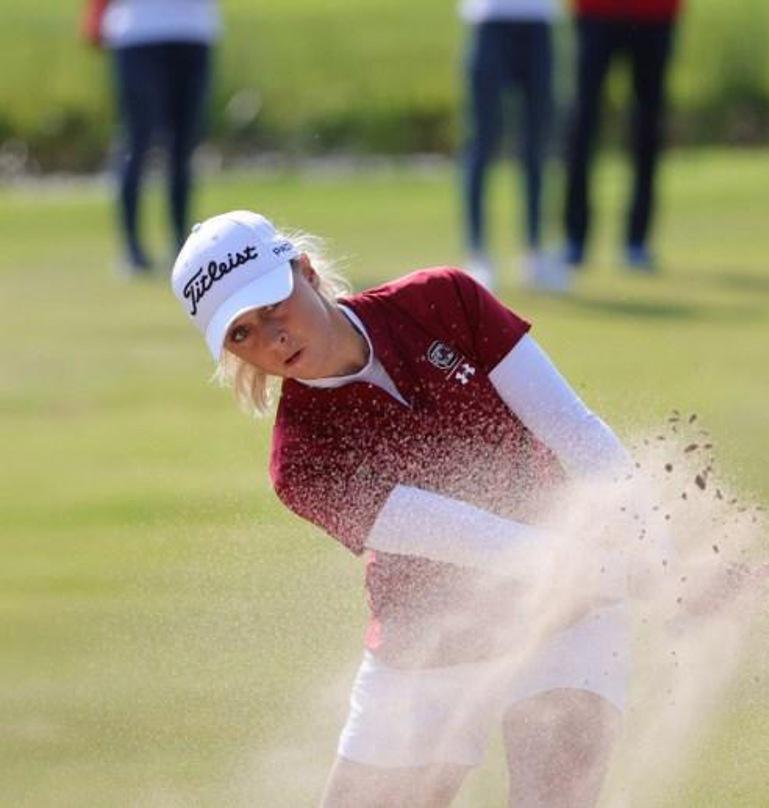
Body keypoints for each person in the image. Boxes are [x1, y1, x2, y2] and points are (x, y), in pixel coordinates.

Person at [169, 210, 659, 807]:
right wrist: (635, 574)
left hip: (570, 613)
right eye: (241, 333)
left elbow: (576, 433)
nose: (271, 337)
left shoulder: (441, 300)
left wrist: (662, 551)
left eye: (273, 307)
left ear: (303, 271)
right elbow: (474, 539)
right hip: (428, 642)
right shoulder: (302, 461)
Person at [82, 0, 219, 276]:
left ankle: (184, 246)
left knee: (183, 147)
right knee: (137, 142)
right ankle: (133, 249)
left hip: (193, 32)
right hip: (139, 33)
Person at [460, 0, 572, 293]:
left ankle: (535, 252)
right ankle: (478, 253)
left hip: (538, 22)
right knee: (482, 144)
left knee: (536, 147)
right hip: (490, 21)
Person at [563, 0, 682, 273]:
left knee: (647, 128)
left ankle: (637, 241)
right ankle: (575, 238)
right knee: (582, 124)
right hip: (596, 11)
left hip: (654, 13)